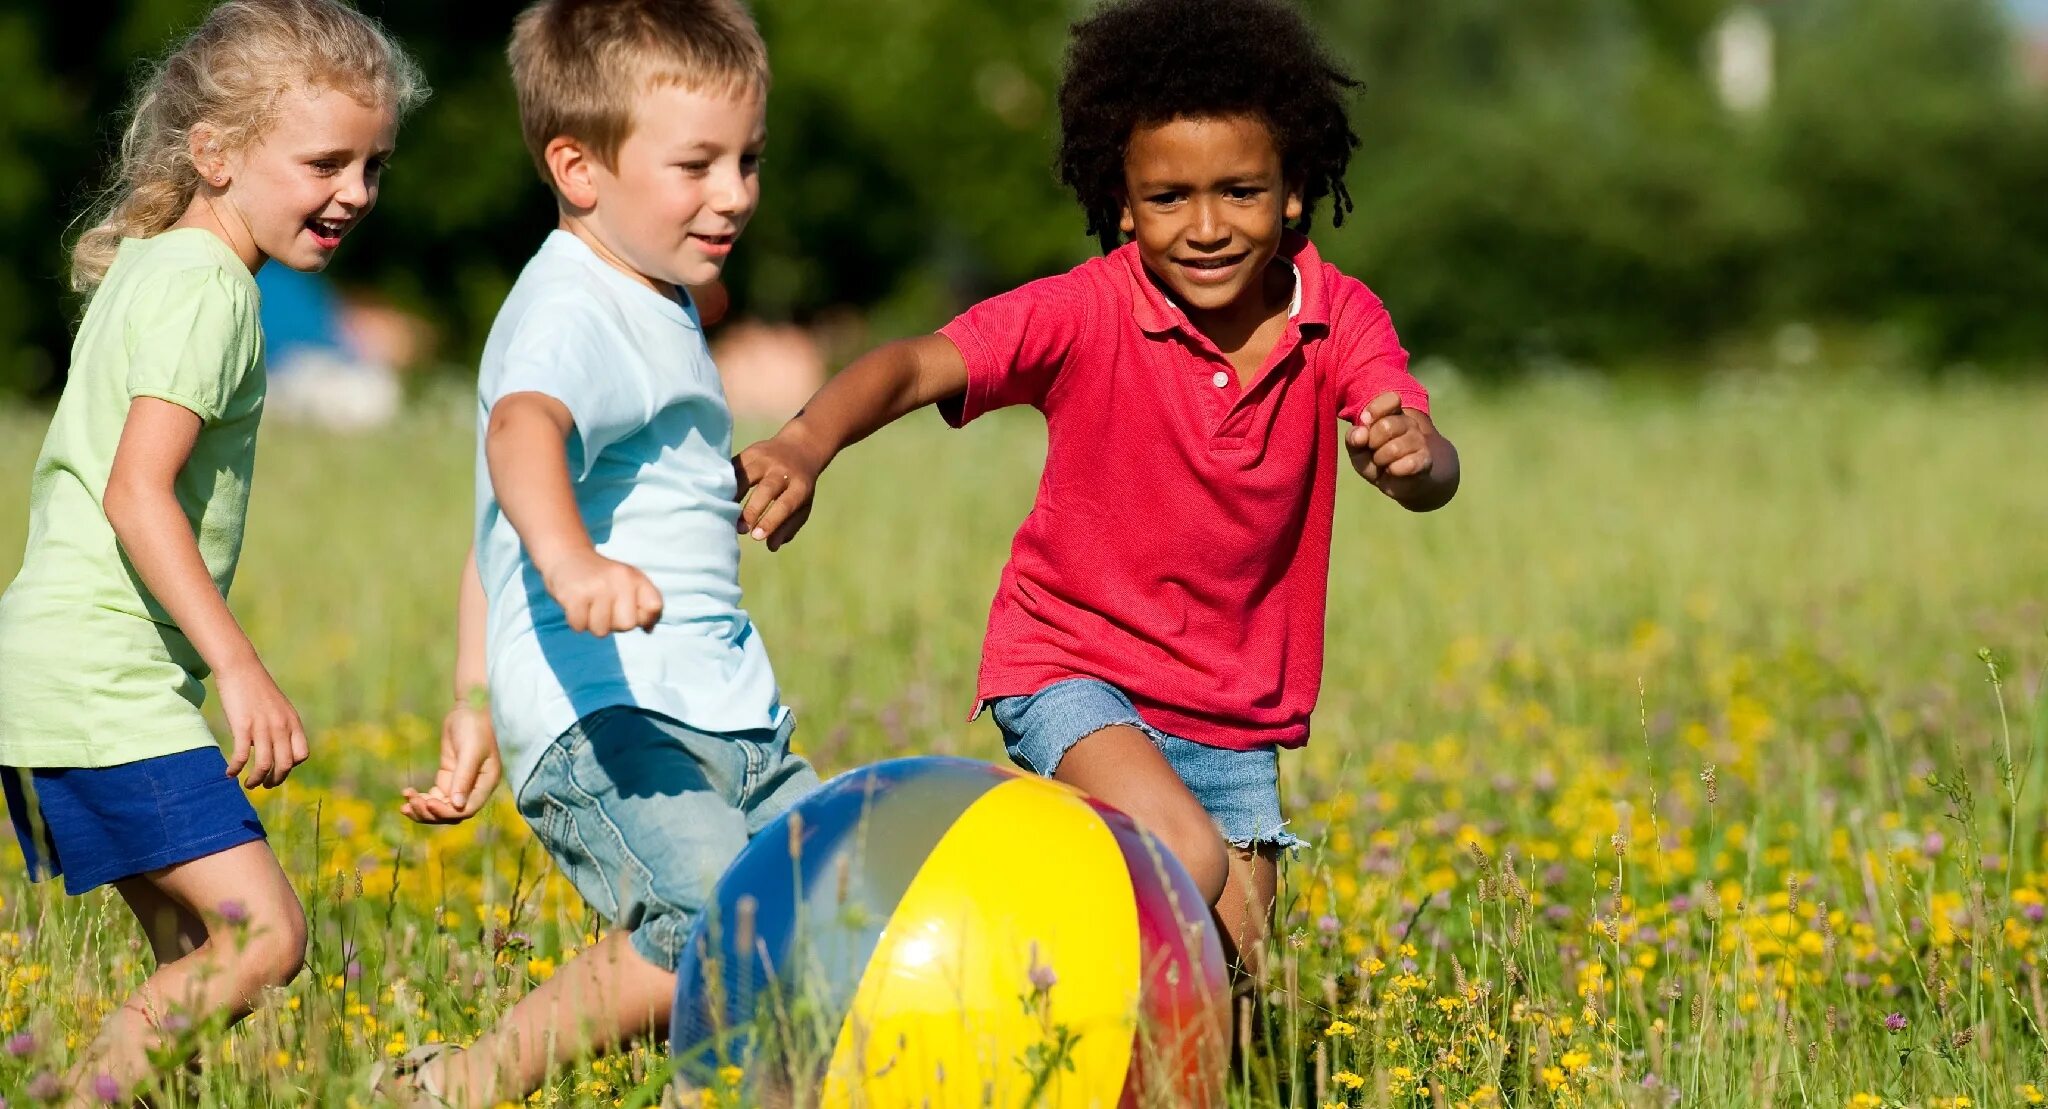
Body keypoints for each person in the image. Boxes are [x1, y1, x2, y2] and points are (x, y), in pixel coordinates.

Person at [734, 0, 1460, 980]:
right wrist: (806, 440)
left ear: (1292, 194)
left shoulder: (1338, 319)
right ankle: (996, 948)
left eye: (1239, 191)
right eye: (1167, 198)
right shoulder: (1084, 311)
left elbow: (1427, 464)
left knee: (1229, 988)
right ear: (1121, 201)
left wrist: (1410, 454)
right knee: (1183, 859)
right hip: (1071, 666)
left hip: (1234, 712)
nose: (1204, 227)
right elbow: (913, 364)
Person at [386, 1, 814, 1103]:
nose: (736, 193)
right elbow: (519, 440)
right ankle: (471, 1081)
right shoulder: (571, 309)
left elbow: (496, 519)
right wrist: (575, 567)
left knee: (823, 911)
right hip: (613, 714)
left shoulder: (650, 294)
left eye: (747, 159)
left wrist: (474, 690)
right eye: (697, 165)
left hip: (720, 707)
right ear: (577, 166)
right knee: (717, 923)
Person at [0, 1, 423, 1101]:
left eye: (374, 164)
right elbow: (138, 492)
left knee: (194, 958)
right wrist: (238, 665)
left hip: (55, 670)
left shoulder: (159, 263)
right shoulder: (211, 288)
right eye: (326, 161)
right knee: (262, 935)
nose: (357, 194)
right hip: (102, 680)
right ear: (217, 153)